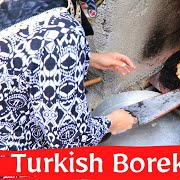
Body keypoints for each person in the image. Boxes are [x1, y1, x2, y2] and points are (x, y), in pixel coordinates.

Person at [0, 0, 137, 151]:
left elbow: (18, 59)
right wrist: (112, 123)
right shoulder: (60, 32)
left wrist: (85, 56)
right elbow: (68, 140)